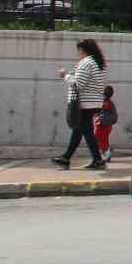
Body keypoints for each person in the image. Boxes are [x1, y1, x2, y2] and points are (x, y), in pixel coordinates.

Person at [51, 39, 108, 170]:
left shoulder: (86, 62)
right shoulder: (98, 63)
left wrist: (65, 75)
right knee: (78, 130)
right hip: (94, 102)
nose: (78, 54)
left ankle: (98, 160)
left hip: (84, 103)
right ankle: (66, 158)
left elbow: (78, 84)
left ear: (82, 50)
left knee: (86, 131)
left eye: (79, 51)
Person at [94, 85, 118, 163]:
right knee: (104, 140)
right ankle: (107, 152)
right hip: (107, 126)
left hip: (102, 125)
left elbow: (98, 110)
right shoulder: (110, 103)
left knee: (99, 139)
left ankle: (107, 153)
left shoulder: (105, 103)